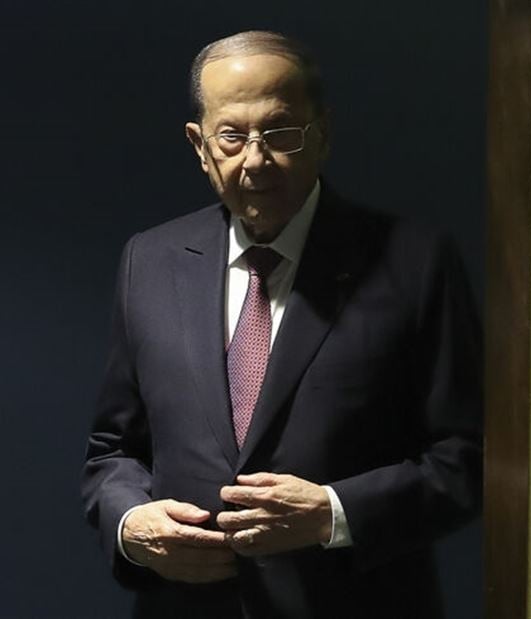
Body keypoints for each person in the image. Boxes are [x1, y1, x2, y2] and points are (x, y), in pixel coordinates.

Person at [81, 30, 482, 618]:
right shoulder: (149, 260)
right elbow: (112, 450)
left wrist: (333, 513)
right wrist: (130, 524)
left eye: (280, 133)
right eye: (231, 136)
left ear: (323, 133)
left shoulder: (417, 263)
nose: (255, 160)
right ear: (199, 145)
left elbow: (468, 457)